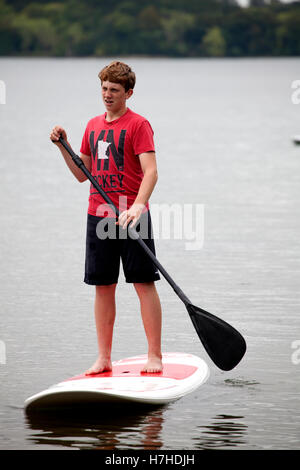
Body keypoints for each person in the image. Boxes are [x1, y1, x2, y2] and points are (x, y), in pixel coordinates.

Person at [50, 61, 163, 374]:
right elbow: (80, 175)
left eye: (114, 90)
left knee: (143, 283)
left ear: (128, 93)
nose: (107, 95)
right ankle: (103, 358)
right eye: (103, 89)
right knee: (103, 286)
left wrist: (138, 206)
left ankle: (154, 355)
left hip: (131, 213)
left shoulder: (139, 125)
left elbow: (151, 173)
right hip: (98, 215)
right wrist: (64, 147)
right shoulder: (92, 126)